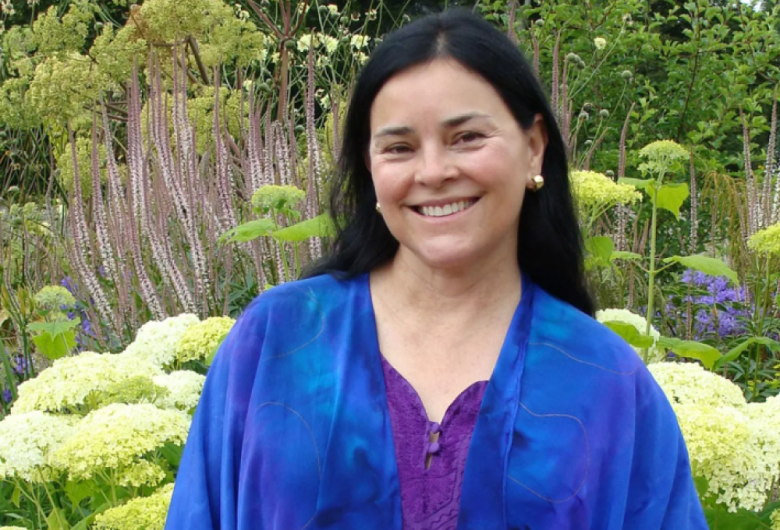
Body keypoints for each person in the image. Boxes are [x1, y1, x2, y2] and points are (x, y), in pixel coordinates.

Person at [165, 9, 708, 530]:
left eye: (467, 137)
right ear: (370, 169)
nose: (433, 171)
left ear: (534, 148)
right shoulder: (277, 344)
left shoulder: (607, 384)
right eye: (399, 147)